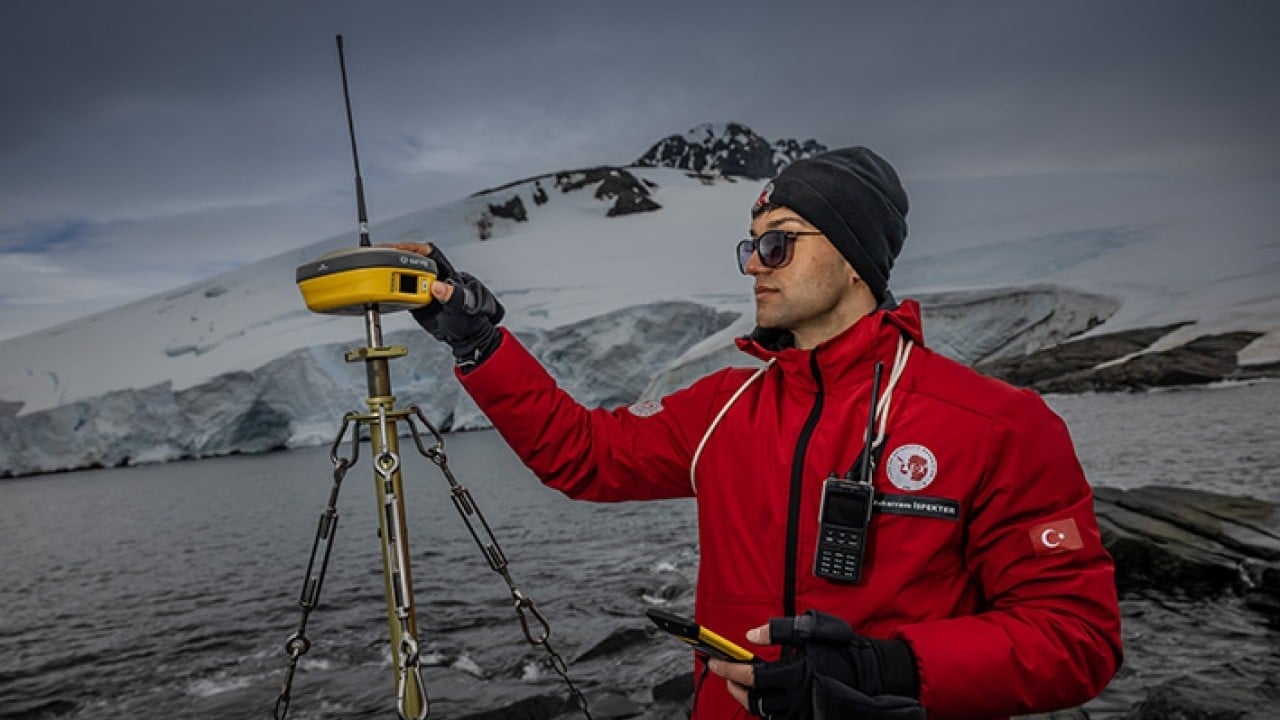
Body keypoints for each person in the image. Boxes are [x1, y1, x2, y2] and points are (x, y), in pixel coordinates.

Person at [389, 146, 1122, 719]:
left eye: (779, 245)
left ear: (853, 255)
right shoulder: (724, 410)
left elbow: (1076, 640)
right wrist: (480, 344)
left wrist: (880, 668)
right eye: (751, 247)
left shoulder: (996, 425)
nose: (755, 268)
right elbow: (584, 456)